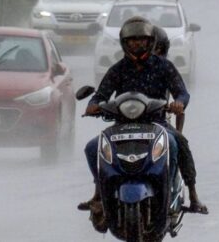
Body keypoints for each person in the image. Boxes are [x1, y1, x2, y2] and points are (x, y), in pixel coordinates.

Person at [79, 18, 208, 224]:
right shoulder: (118, 69)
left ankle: (188, 193)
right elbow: (100, 95)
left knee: (177, 143)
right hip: (121, 125)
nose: (137, 45)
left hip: (157, 123)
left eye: (142, 40)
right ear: (124, 43)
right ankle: (100, 194)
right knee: (92, 148)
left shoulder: (164, 67)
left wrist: (179, 104)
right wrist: (94, 104)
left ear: (151, 42)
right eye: (132, 41)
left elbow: (182, 93)